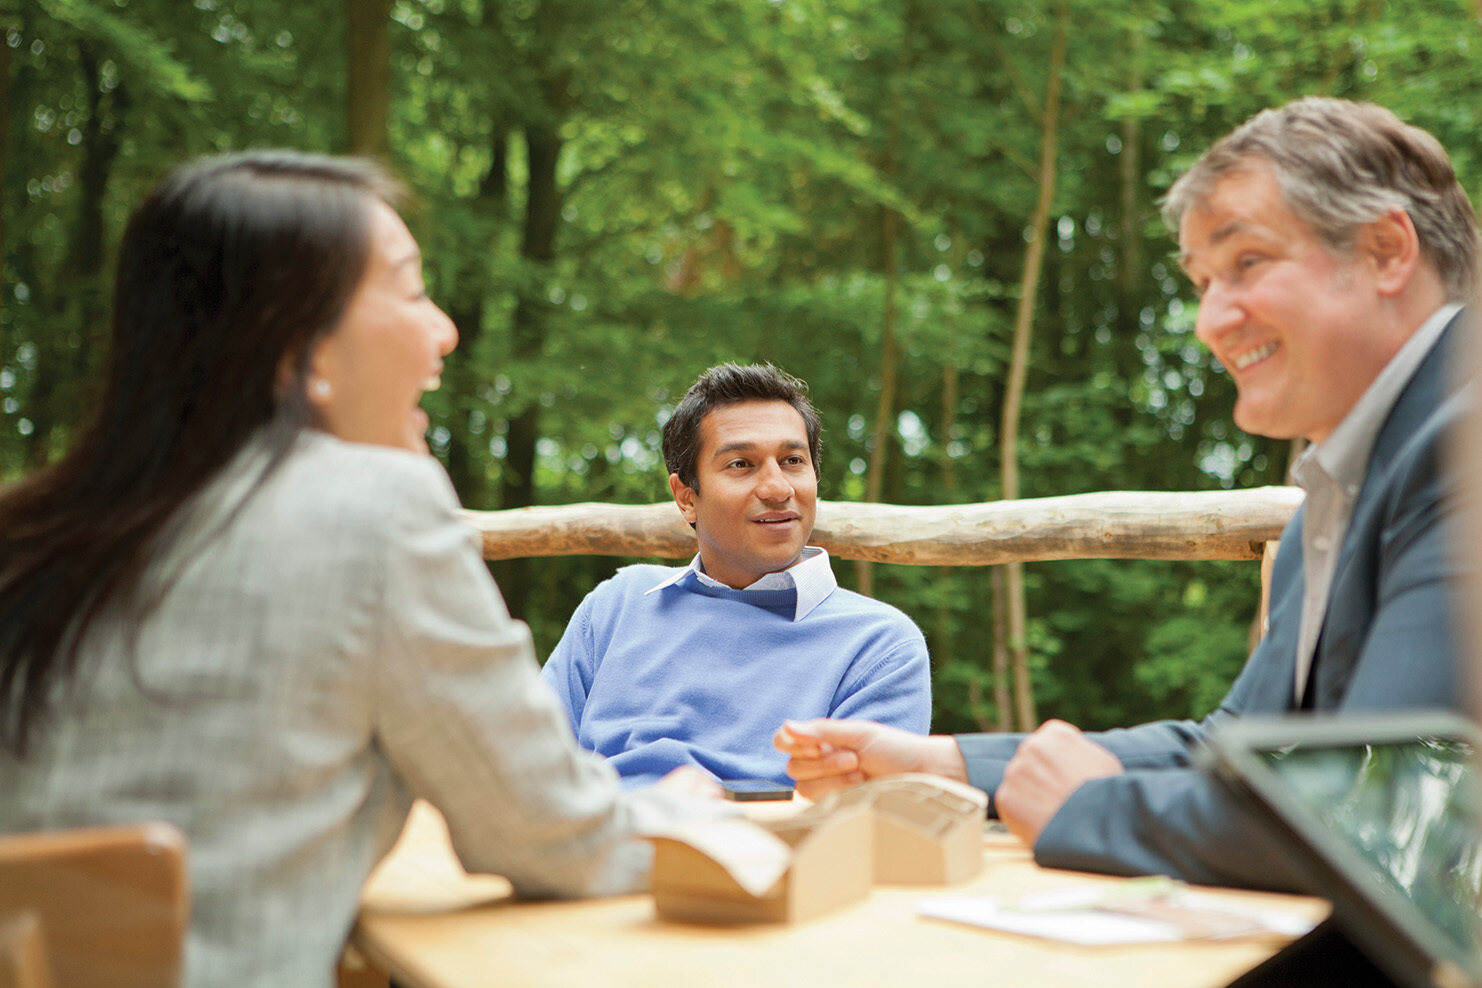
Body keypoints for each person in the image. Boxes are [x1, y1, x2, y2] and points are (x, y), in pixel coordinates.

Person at [0, 151, 719, 988]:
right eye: (412, 291)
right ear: (297, 347)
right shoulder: (375, 509)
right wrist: (680, 819)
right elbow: (551, 835)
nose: (444, 330)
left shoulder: (35, 530)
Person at [775, 97, 1478, 892]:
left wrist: (1091, 809)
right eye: (1203, 282)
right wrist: (951, 764)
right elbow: (1237, 748)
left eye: (1247, 263)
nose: (1211, 320)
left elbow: (1396, 812)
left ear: (1386, 251)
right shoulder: (1344, 487)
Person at [540, 362, 932, 786]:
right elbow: (526, 767)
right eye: (741, 464)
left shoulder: (879, 646)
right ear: (686, 498)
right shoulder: (617, 607)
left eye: (793, 461)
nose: (778, 488)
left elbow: (859, 817)